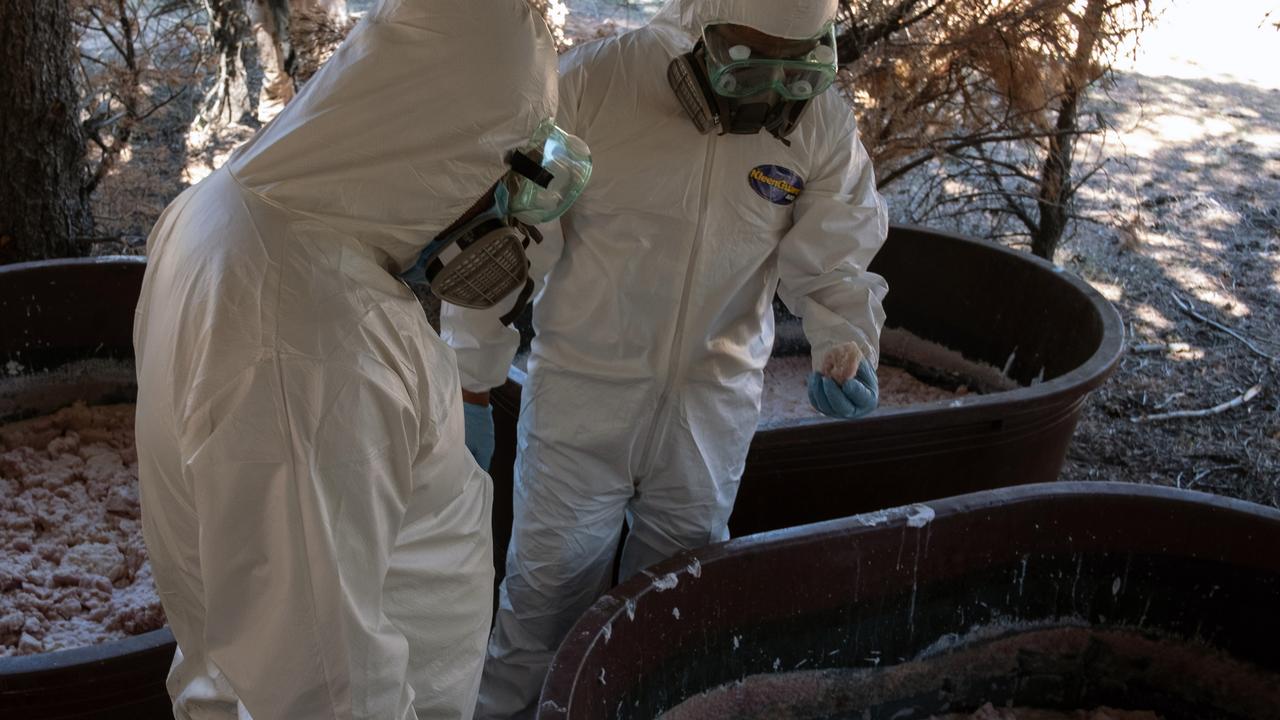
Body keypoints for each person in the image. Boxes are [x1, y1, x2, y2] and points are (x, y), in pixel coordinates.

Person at [132, 1, 591, 717]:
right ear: (441, 148)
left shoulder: (241, 212)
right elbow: (324, 685)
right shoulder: (312, 345)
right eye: (499, 180)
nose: (501, 214)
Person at [441, 1, 890, 717]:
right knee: (541, 613)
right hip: (582, 402)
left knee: (668, 621)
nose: (772, 95)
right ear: (698, 32)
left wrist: (846, 339)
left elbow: (835, 256)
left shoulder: (817, 120)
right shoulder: (591, 89)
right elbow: (507, 243)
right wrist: (470, 375)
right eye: (751, 65)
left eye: (794, 70)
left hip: (712, 411)